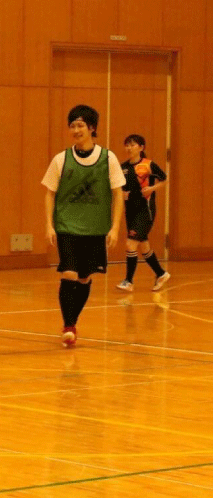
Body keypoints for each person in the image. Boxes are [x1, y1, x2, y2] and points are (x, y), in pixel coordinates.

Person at [43, 105, 125, 347]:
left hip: (96, 228)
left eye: (80, 125)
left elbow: (118, 194)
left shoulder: (108, 159)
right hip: (67, 226)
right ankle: (68, 325)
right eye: (72, 125)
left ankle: (72, 322)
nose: (76, 130)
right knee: (68, 273)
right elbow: (49, 193)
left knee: (85, 277)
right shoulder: (61, 159)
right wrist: (49, 225)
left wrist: (115, 227)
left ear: (92, 128)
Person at [115, 134, 170, 292]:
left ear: (141, 147)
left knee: (130, 243)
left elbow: (165, 179)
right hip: (130, 210)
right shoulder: (123, 167)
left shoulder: (148, 165)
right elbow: (119, 186)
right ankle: (161, 273)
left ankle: (128, 281)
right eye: (127, 145)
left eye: (132, 145)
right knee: (144, 246)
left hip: (145, 210)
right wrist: (122, 193)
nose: (129, 148)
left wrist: (152, 188)